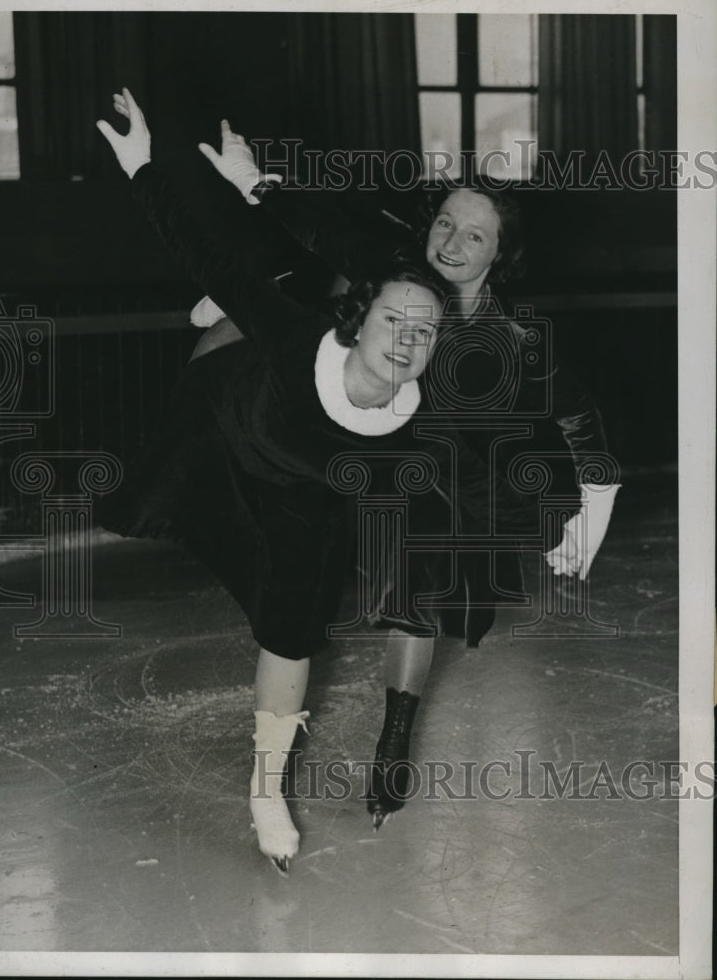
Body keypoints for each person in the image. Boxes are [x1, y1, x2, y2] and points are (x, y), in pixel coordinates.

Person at [95, 89, 503, 871]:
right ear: (360, 319)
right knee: (245, 299)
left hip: (308, 481)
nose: (406, 341)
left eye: (424, 336)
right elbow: (207, 246)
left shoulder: (431, 406)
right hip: (236, 408)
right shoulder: (315, 324)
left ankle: (265, 785)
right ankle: (229, 315)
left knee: (294, 619)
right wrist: (145, 165)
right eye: (393, 323)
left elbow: (471, 482)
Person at [181, 117, 621, 828]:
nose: (450, 243)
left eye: (472, 236)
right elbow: (324, 229)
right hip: (326, 402)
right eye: (445, 223)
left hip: (411, 454)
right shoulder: (399, 265)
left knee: (427, 565)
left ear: (497, 258)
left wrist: (594, 502)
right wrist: (253, 185)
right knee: (286, 315)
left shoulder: (502, 338)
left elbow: (577, 412)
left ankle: (395, 737)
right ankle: (248, 296)